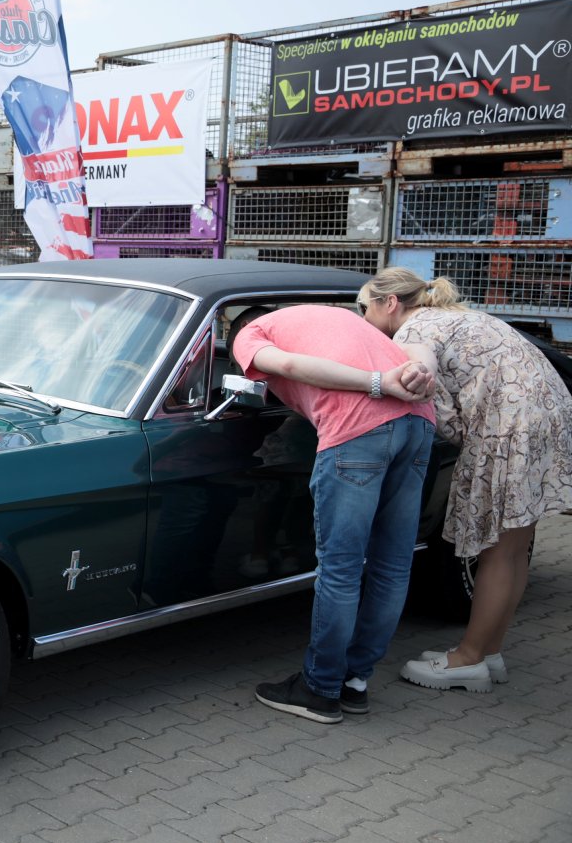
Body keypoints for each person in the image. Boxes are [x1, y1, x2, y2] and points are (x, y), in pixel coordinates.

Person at [358, 268, 572, 693]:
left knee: (495, 551)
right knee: (514, 548)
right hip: (547, 417)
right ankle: (489, 651)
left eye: (363, 307)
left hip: (508, 427)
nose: (361, 318)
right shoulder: (457, 314)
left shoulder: (411, 335)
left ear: (390, 303)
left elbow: (440, 413)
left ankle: (468, 659)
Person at [230, 304, 436, 723]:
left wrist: (377, 384)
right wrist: (416, 373)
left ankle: (319, 689)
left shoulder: (251, 332)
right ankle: (354, 683)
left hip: (358, 427)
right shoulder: (340, 317)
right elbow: (420, 347)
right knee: (393, 566)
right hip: (419, 423)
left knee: (341, 568)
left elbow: (287, 365)